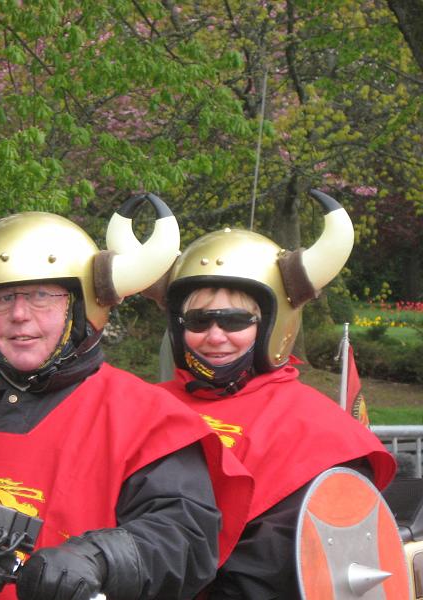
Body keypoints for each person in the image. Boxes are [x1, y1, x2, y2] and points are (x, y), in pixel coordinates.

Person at [0, 196, 253, 600]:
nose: (19, 314)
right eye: (3, 299)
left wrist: (100, 558)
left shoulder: (148, 417)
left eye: (41, 295)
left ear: (81, 307)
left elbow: (182, 536)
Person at [137, 189, 397, 598]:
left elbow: (276, 566)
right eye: (199, 320)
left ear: (272, 325)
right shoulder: (140, 403)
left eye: (235, 320)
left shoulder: (318, 428)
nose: (215, 336)